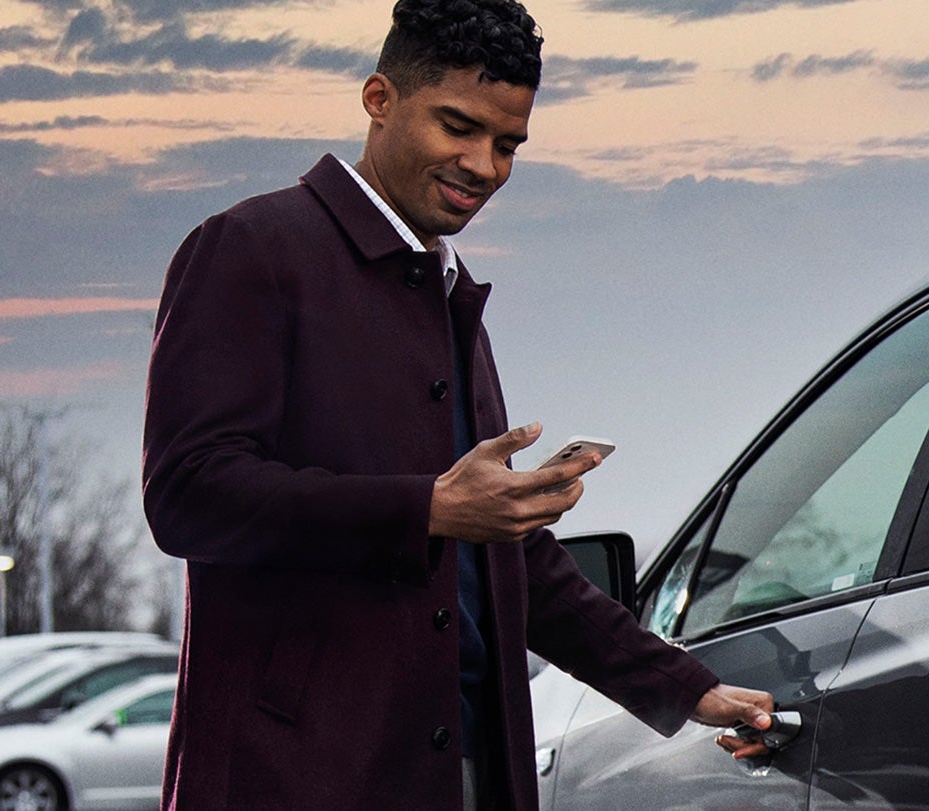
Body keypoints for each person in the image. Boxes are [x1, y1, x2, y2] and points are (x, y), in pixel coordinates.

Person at [141, 1, 774, 808]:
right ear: (379, 100)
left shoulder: (442, 292)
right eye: (458, 127)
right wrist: (428, 508)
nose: (484, 164)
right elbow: (188, 494)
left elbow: (511, 567)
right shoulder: (251, 249)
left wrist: (689, 689)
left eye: (508, 144)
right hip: (301, 777)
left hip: (469, 771)